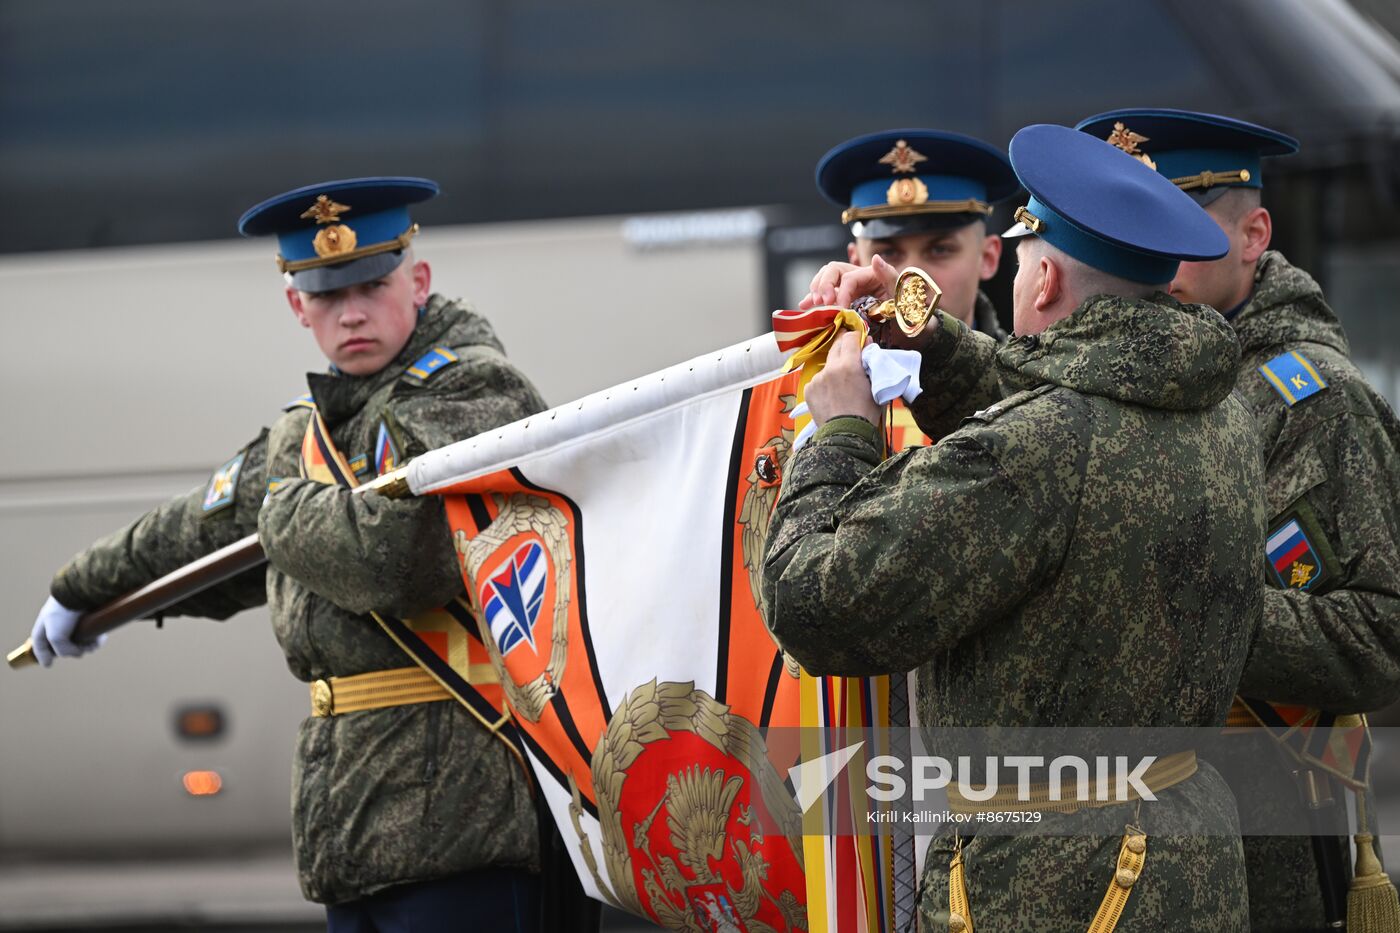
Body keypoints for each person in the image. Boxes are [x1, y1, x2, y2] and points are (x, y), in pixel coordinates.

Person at [28, 177, 568, 932]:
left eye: (373, 284)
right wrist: (82, 589)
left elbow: (395, 558)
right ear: (296, 306)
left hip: (472, 821)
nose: (350, 311)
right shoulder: (310, 427)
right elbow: (202, 527)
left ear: (418, 280)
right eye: (326, 295)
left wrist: (279, 507)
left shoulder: (476, 390)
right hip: (350, 825)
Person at [762, 124, 1261, 929]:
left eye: (1027, 252)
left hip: (1049, 882)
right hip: (1183, 851)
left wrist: (839, 437)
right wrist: (914, 325)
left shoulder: (1040, 447)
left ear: (1045, 280)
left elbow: (814, 604)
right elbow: (1048, 387)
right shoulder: (1216, 402)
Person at [1077, 107, 1400, 932]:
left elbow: (1379, 637)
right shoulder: (1120, 378)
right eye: (1126, 232)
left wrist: (1184, 615)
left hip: (1269, 836)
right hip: (1124, 836)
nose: (1147, 263)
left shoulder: (1313, 402)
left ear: (1253, 234)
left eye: (1174, 231)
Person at [815, 128, 1020, 339]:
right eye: (887, 254)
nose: (911, 278)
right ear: (856, 263)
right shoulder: (815, 370)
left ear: (988, 258)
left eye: (940, 250)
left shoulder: (1025, 371)